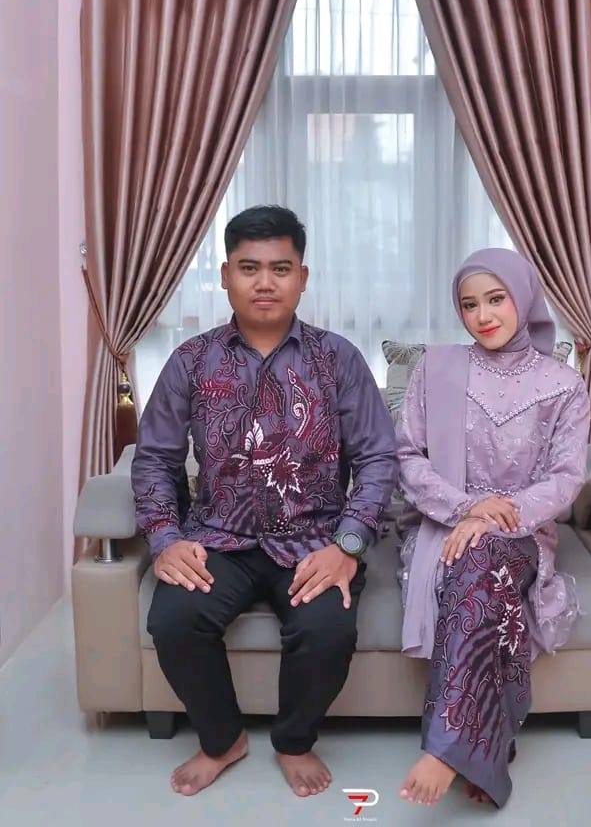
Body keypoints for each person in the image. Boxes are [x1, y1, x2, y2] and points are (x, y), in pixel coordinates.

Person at [131, 205, 398, 798]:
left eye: (280, 268)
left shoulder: (338, 359)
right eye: (249, 268)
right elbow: (153, 459)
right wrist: (165, 538)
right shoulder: (191, 360)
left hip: (314, 540)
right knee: (174, 621)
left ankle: (294, 741)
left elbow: (379, 458)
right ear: (226, 275)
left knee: (327, 630)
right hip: (218, 537)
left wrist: (347, 546)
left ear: (303, 277)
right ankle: (222, 739)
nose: (265, 282)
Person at [395, 248, 590, 809]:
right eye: (469, 304)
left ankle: (447, 747)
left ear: (522, 298)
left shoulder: (563, 384)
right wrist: (466, 510)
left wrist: (498, 514)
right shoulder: (435, 370)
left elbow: (565, 477)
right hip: (444, 522)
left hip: (521, 531)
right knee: (475, 563)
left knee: (485, 559)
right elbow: (408, 457)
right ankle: (481, 748)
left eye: (496, 299)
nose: (482, 316)